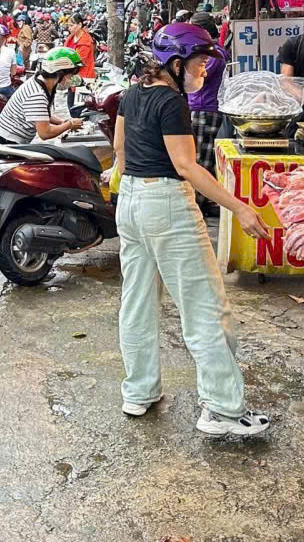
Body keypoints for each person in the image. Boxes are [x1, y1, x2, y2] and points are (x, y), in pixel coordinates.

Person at [112, 22, 272, 436]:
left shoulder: (133, 92)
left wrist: (134, 189)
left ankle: (139, 392)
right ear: (176, 62)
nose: (204, 70)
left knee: (137, 302)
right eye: (200, 62)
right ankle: (223, 409)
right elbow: (186, 165)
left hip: (130, 202)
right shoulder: (171, 101)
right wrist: (239, 207)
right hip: (166, 204)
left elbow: (119, 149)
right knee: (205, 306)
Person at [0, 48, 85, 145]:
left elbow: (42, 115)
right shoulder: (37, 93)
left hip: (12, 140)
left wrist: (62, 122)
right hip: (5, 141)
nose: (71, 78)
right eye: (71, 74)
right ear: (60, 72)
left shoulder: (41, 82)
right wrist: (69, 125)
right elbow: (45, 133)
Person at [187, 12, 228, 217]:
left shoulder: (214, 54)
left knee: (202, 159)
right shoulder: (205, 52)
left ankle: (199, 202)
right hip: (197, 107)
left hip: (207, 109)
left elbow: (198, 76)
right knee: (195, 156)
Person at [66, 13, 97, 81]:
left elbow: (79, 62)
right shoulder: (70, 38)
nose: (69, 28)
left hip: (83, 77)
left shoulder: (85, 42)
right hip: (71, 75)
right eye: (68, 26)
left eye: (71, 25)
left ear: (80, 25)